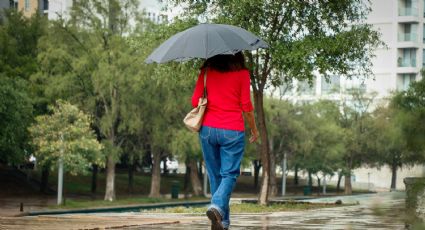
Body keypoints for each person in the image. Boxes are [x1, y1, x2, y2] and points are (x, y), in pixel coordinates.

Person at [191, 52, 259, 230]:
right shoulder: (242, 74)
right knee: (229, 174)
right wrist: (254, 129)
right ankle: (217, 208)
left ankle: (223, 221)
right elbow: (246, 106)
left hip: (207, 130)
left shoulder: (206, 71)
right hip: (232, 130)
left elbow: (194, 101)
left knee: (215, 176)